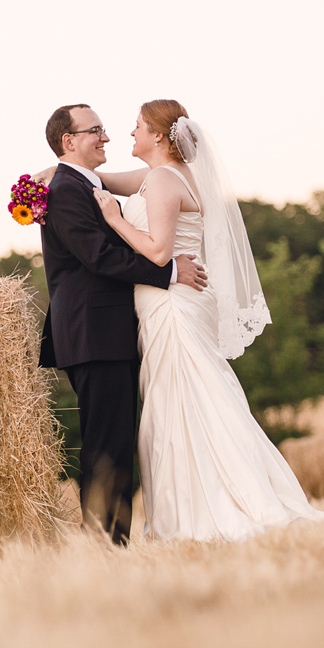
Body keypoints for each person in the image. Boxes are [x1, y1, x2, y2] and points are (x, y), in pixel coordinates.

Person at [86, 99, 324, 541]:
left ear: (158, 135)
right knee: (189, 399)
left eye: (136, 126)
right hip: (174, 304)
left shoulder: (160, 180)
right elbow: (102, 178)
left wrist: (115, 220)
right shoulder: (168, 176)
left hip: (172, 306)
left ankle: (201, 514)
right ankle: (193, 508)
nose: (128, 134)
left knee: (181, 403)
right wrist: (53, 175)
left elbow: (157, 252)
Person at [37, 103, 207, 545]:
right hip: (95, 333)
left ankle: (107, 540)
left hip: (109, 331)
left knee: (113, 438)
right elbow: (98, 257)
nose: (108, 137)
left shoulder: (80, 183)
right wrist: (169, 273)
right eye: (95, 130)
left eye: (109, 129)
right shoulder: (68, 190)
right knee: (107, 442)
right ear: (69, 141)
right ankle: (105, 542)